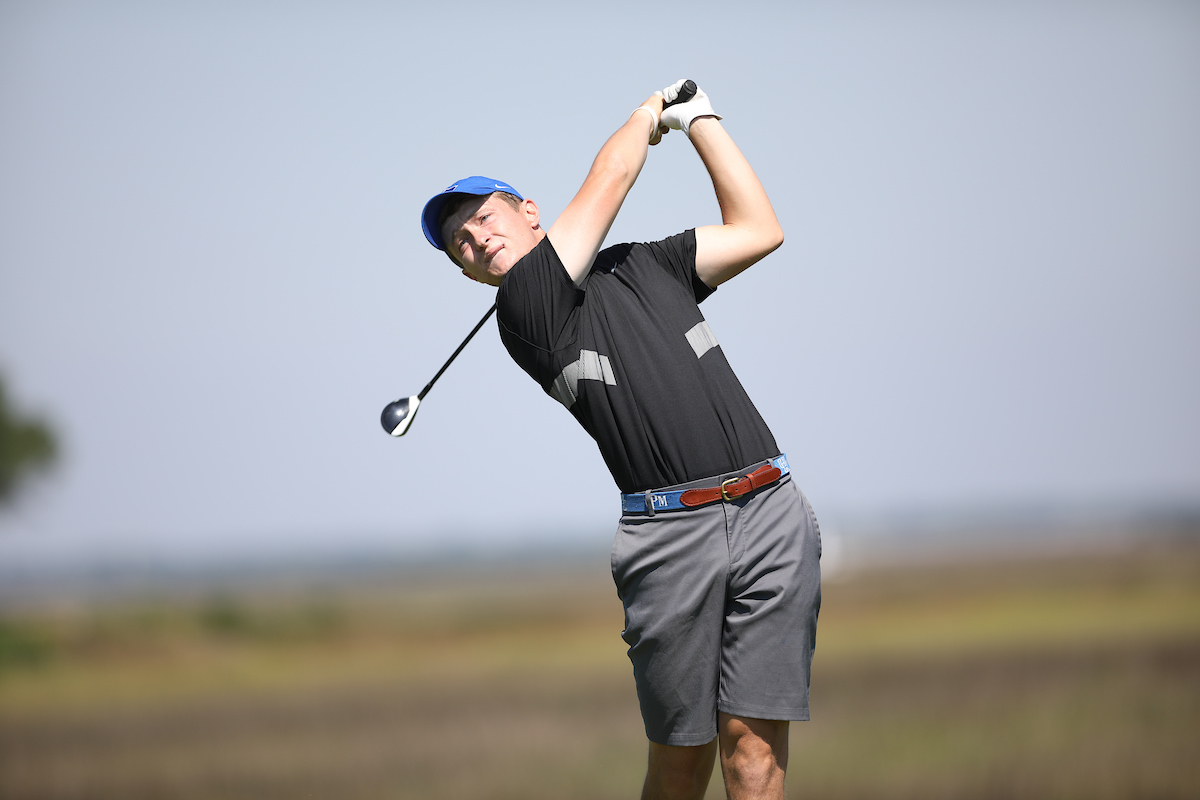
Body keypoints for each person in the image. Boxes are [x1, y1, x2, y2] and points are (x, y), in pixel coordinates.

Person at [419, 80, 821, 800]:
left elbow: (760, 228)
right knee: (680, 764)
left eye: (484, 219)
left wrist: (700, 121)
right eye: (463, 244)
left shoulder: (647, 263)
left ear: (528, 213)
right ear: (466, 270)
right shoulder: (526, 313)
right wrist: (647, 113)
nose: (479, 240)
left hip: (771, 510)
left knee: (753, 753)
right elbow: (611, 177)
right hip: (670, 538)